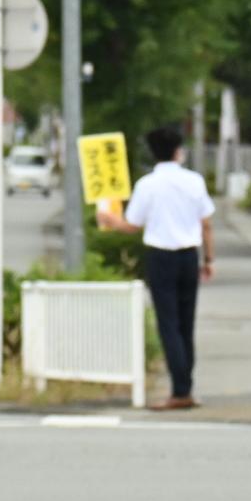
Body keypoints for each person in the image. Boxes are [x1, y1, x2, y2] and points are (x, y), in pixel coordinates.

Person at [97, 124, 215, 410]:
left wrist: (109, 220)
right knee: (187, 324)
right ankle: (185, 387)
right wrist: (208, 259)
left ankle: (180, 391)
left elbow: (132, 224)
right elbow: (207, 223)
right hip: (189, 255)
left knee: (169, 324)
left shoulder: (147, 185)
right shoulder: (194, 181)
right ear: (178, 151)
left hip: (161, 257)